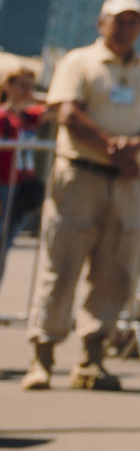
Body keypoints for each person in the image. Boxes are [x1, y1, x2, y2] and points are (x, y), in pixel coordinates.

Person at [25, 0, 140, 390]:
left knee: (115, 269)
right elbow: (68, 112)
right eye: (119, 20)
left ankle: (92, 357)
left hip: (125, 183)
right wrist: (111, 148)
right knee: (62, 265)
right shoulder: (79, 61)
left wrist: (134, 147)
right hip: (82, 175)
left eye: (134, 21)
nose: (126, 27)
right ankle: (43, 355)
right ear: (101, 22)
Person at [0, 56, 48, 300]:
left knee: (5, 244)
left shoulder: (29, 116)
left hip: (21, 186)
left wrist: (33, 96)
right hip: (3, 186)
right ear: (7, 85)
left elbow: (56, 107)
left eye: (31, 85)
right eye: (21, 85)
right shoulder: (2, 117)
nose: (27, 90)